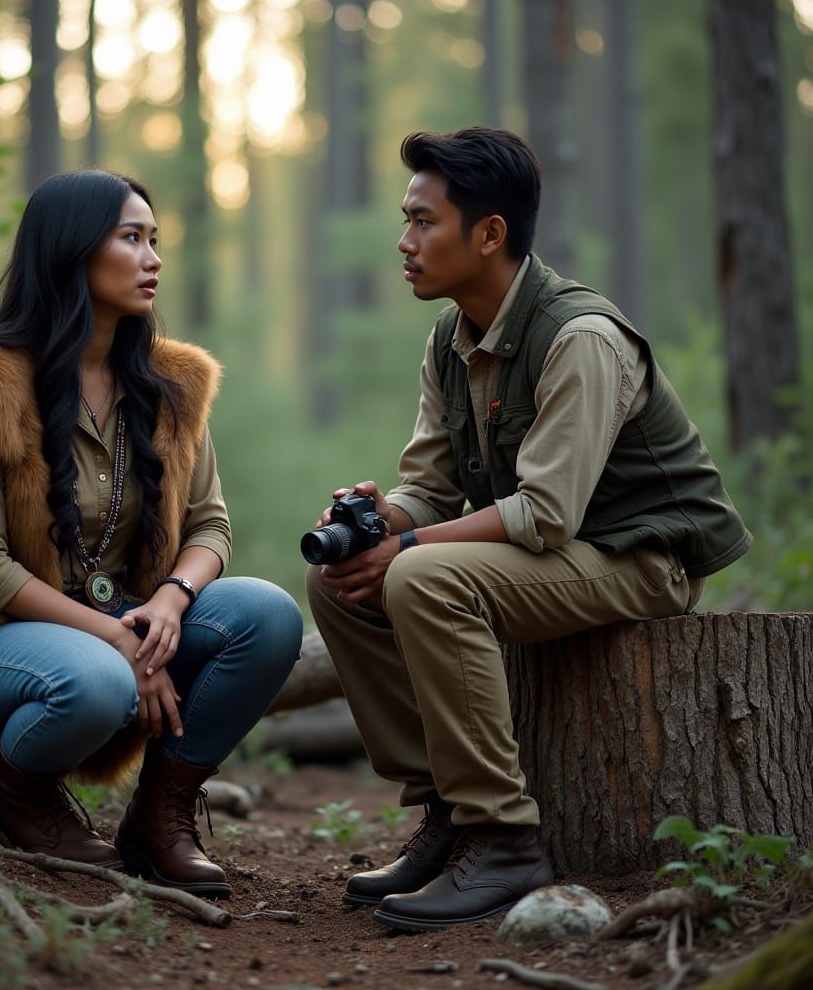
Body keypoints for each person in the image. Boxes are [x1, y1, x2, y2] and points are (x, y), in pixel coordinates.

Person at [306, 127, 752, 932]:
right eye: (404, 222)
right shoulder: (452, 336)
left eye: (423, 222)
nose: (404, 243)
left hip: (643, 556)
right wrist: (380, 518)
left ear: (488, 234)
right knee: (339, 578)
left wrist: (404, 549)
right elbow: (433, 484)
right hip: (559, 552)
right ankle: (445, 809)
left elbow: (545, 515)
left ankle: (504, 838)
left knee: (414, 575)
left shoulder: (580, 337)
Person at [0, 170, 303, 899]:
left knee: (267, 613)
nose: (152, 259)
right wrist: (115, 640)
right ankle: (16, 795)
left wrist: (171, 605)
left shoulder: (172, 380)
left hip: (135, 614)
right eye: (131, 238)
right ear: (71, 250)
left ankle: (161, 814)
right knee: (95, 681)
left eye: (155, 240)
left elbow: (210, 524)